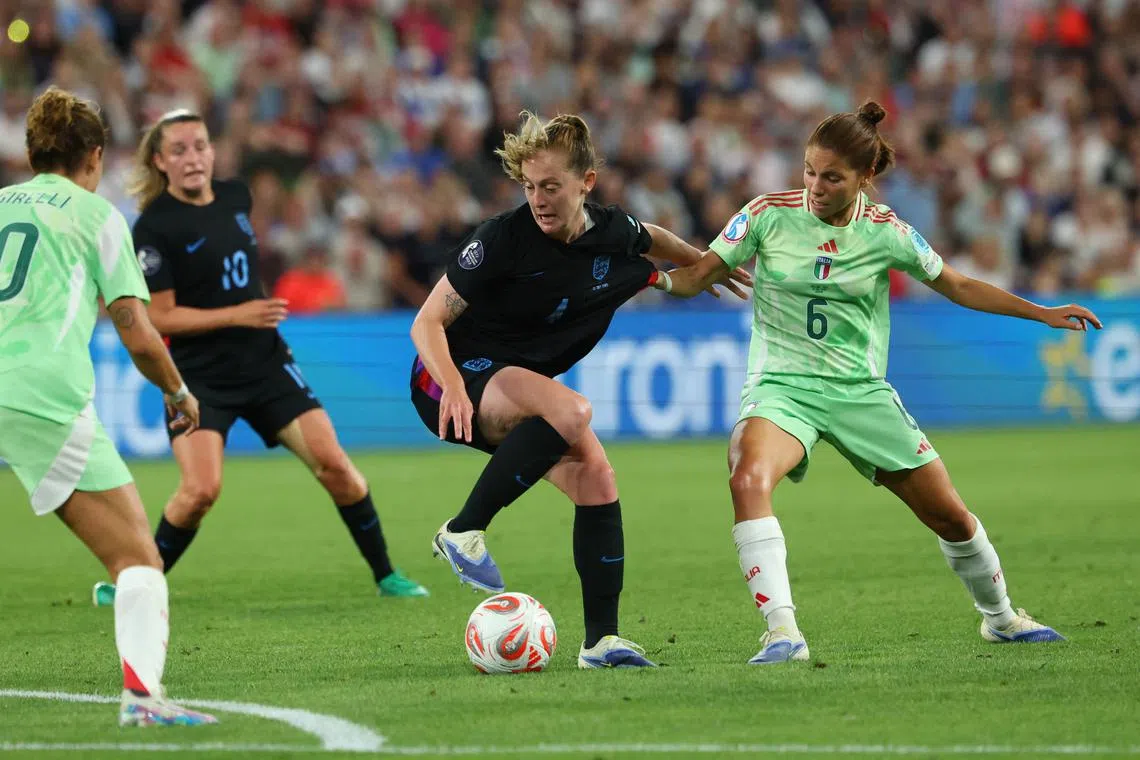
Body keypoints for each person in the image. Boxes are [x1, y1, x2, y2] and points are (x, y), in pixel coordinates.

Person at [662, 101, 1102, 664]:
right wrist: (648, 275)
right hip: (782, 386)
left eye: (832, 177)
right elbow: (698, 275)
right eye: (809, 171)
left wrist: (1040, 312)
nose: (814, 187)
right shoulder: (766, 214)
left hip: (859, 392)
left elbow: (960, 286)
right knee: (747, 475)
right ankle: (782, 633)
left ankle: (1001, 617)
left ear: (865, 179)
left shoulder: (886, 231)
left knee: (949, 516)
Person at [409, 111, 749, 668]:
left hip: (513, 382)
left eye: (551, 187)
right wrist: (450, 386)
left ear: (585, 183)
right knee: (574, 411)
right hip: (450, 375)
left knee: (598, 477)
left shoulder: (612, 235)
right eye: (529, 186)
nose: (538, 200)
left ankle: (600, 641)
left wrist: (703, 260)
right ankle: (463, 530)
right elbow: (426, 324)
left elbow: (655, 244)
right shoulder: (501, 238)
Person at [91, 110, 427, 605]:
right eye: (179, 150)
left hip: (266, 364)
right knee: (200, 491)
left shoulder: (234, 197)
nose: (192, 157)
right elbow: (158, 317)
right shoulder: (154, 229)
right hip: (199, 377)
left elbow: (238, 276)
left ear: (212, 151)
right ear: (160, 161)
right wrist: (237, 313)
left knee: (336, 466)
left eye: (200, 146)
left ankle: (387, 575)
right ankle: (134, 582)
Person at [0, 87, 216, 726]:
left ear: (34, 150)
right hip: (41, 394)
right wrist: (177, 391)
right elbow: (136, 331)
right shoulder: (97, 217)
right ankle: (144, 702)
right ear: (93, 157)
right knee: (137, 560)